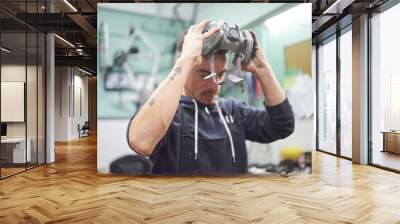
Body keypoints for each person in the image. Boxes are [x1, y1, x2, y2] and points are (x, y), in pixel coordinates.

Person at [126, 20, 294, 174]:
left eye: (220, 75)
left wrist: (262, 69)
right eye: (204, 75)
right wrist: (186, 59)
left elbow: (283, 125)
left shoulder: (233, 111)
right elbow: (141, 142)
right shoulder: (169, 113)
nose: (214, 85)